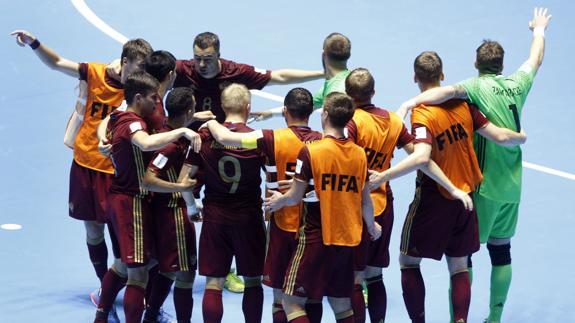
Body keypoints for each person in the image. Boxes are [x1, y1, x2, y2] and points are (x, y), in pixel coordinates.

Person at [395, 8, 551, 323]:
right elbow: (535, 59)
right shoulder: (517, 84)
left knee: (460, 258)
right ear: (502, 65)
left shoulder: (475, 89)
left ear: (476, 65)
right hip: (513, 186)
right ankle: (494, 318)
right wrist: (539, 30)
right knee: (502, 250)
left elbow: (447, 91)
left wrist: (412, 103)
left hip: (482, 186)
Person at [369, 51, 527, 323]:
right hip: (465, 198)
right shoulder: (463, 104)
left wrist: (384, 176)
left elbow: (421, 158)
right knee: (458, 266)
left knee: (408, 261)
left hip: (435, 197)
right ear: (442, 75)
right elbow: (500, 136)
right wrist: (520, 137)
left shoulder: (422, 114)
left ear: (415, 78)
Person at [10, 30, 153, 322]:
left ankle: (124, 290)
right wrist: (35, 43)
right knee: (93, 231)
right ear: (124, 61)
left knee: (122, 238)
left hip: (118, 172)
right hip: (87, 165)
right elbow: (58, 62)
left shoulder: (139, 89)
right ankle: (105, 291)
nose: (141, 77)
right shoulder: (95, 74)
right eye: (138, 70)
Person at [203, 87, 324, 323]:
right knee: (311, 296)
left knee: (280, 297)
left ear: (286, 111)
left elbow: (227, 138)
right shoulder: (322, 142)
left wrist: (210, 123)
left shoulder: (269, 138)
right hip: (313, 226)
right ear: (311, 112)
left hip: (280, 223)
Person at [265, 92, 382, 323]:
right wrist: (372, 225)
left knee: (291, 301)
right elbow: (365, 200)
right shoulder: (359, 154)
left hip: (316, 236)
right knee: (341, 305)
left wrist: (279, 200)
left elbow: (295, 196)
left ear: (325, 114)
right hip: (348, 238)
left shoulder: (310, 151)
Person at [94, 72, 200, 323]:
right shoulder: (135, 124)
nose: (157, 103)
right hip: (132, 202)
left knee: (128, 263)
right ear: (139, 98)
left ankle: (103, 314)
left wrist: (100, 138)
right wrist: (181, 132)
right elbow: (144, 144)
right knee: (138, 275)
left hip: (120, 198)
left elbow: (107, 119)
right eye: (154, 98)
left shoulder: (118, 116)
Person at [181, 83, 267, 323]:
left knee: (214, 282)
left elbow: (184, 180)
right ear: (248, 108)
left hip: (215, 217)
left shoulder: (204, 136)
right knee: (252, 280)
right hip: (249, 218)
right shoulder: (255, 139)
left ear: (221, 106)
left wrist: (191, 206)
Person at [343, 68, 414, 323]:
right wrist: (387, 174)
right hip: (384, 204)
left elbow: (345, 159)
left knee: (355, 276)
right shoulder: (395, 122)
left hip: (355, 207)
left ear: (348, 95)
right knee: (375, 275)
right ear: (373, 92)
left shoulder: (351, 123)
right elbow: (417, 154)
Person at [175, 31, 324, 125]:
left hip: (222, 139)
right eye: (197, 58)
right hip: (186, 133)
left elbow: (280, 76)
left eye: (207, 59)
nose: (201, 65)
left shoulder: (236, 72)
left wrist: (323, 74)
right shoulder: (181, 69)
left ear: (218, 56)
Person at [142, 87, 198, 323]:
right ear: (186, 112)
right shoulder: (171, 146)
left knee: (166, 267)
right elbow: (149, 179)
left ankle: (151, 314)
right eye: (193, 109)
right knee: (185, 273)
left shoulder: (167, 130)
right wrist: (182, 187)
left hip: (163, 213)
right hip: (174, 215)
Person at [254, 32, 351, 120]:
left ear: (323, 54)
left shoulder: (335, 93)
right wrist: (270, 113)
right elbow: (303, 107)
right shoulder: (342, 80)